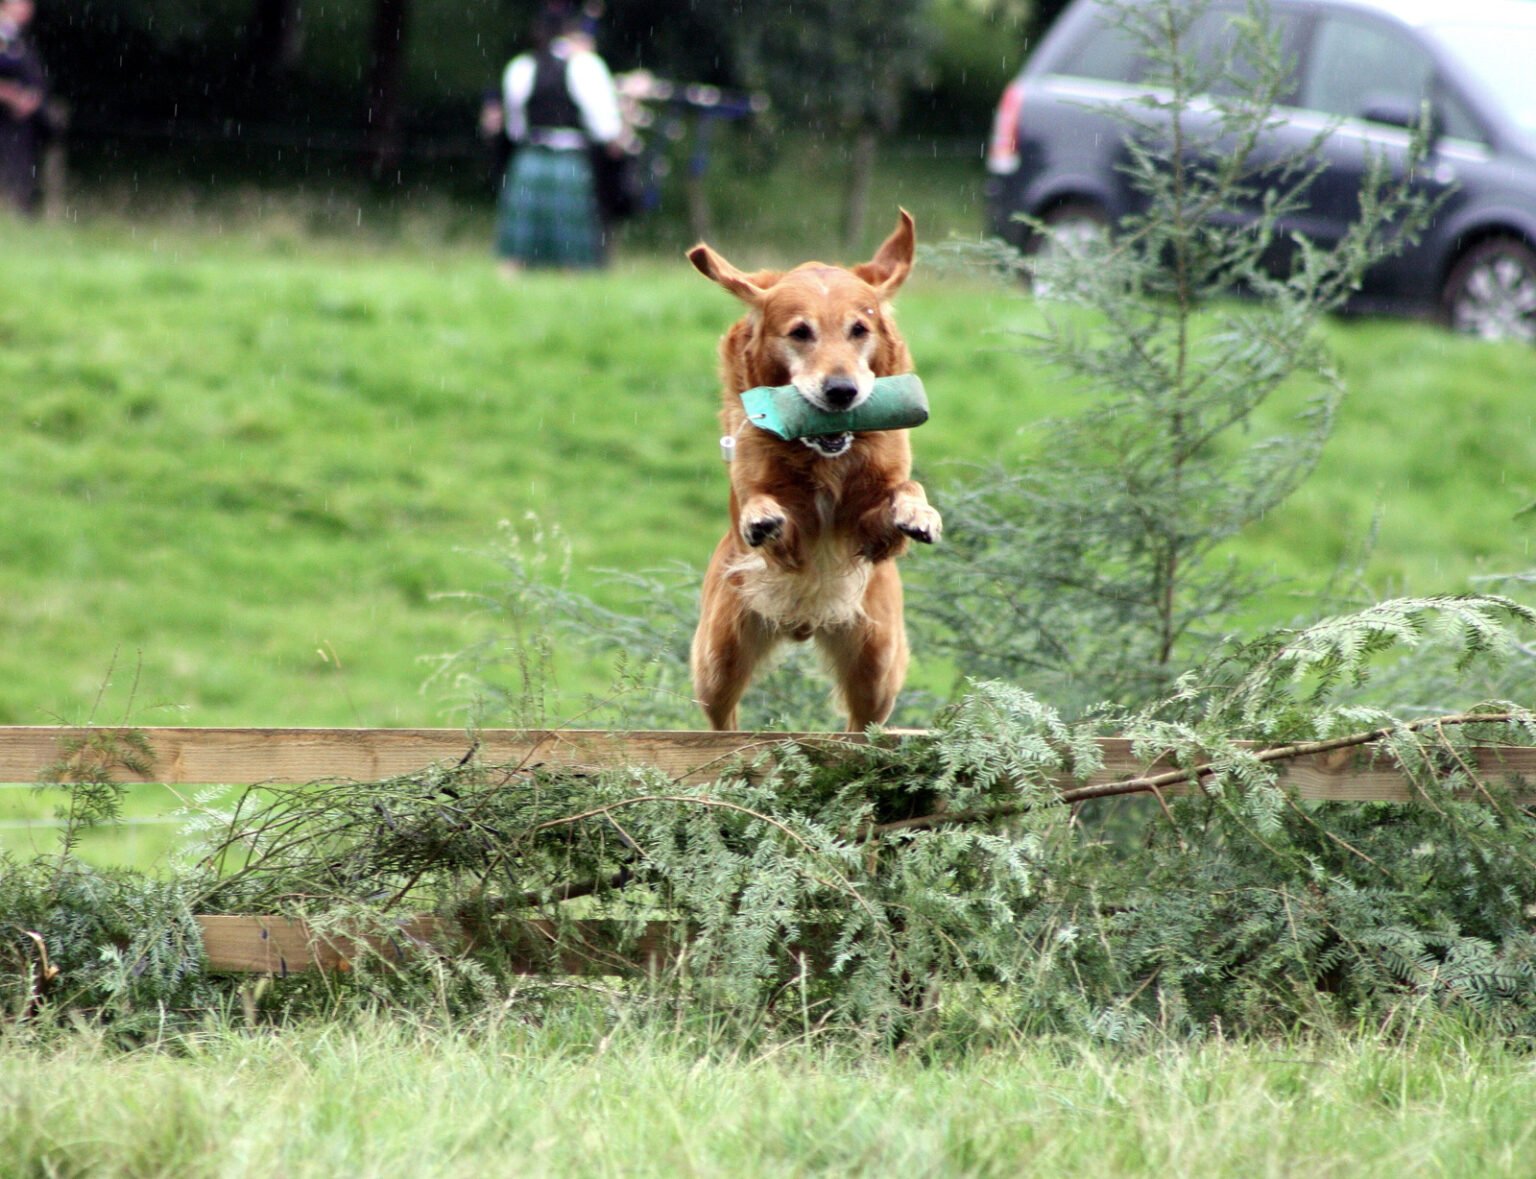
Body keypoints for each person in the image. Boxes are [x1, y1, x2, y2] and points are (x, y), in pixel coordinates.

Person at [494, 2, 624, 274]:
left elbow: (515, 126)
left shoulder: (521, 67)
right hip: (570, 159)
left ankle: (510, 280)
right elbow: (606, 127)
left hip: (529, 156)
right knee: (571, 244)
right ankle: (571, 283)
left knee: (519, 245)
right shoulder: (587, 66)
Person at [0, 0, 47, 215]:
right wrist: (12, 96)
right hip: (6, 119)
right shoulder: (4, 34)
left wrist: (33, 99)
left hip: (22, 121)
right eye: (20, 3)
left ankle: (18, 211)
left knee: (21, 169)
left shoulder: (19, 37)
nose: (27, 8)